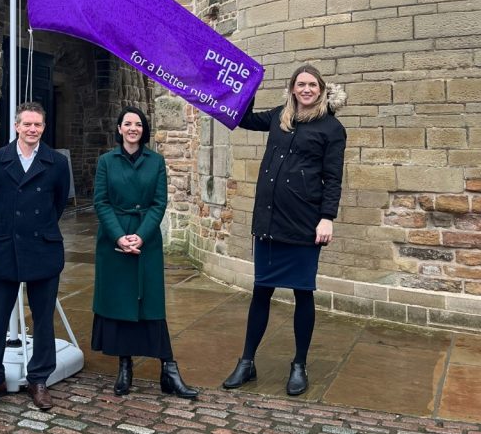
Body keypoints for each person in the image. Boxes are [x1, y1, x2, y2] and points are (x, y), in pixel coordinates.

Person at [222, 64, 347, 397]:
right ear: (292, 88)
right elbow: (244, 119)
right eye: (300, 84)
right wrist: (245, 87)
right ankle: (247, 362)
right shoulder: (280, 116)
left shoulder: (331, 128)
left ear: (321, 90)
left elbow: (333, 178)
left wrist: (327, 217)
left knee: (302, 293)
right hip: (269, 219)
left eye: (312, 85)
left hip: (304, 222)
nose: (306, 90)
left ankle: (299, 365)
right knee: (262, 290)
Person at [0, 101, 71, 412]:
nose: (32, 130)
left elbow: (58, 204)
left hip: (43, 245)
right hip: (5, 245)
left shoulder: (56, 162)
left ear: (43, 127)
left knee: (43, 319)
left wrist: (36, 227)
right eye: (27, 124)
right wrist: (8, 227)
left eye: (37, 125)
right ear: (16, 126)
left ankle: (39, 380)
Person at [91, 106, 198, 399]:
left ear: (143, 129)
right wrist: (119, 236)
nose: (133, 128)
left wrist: (141, 235)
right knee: (121, 305)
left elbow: (159, 202)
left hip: (145, 239)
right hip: (114, 241)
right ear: (119, 128)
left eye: (138, 124)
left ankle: (169, 369)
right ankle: (124, 366)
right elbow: (100, 202)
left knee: (150, 305)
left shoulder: (156, 162)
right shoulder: (106, 162)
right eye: (127, 123)